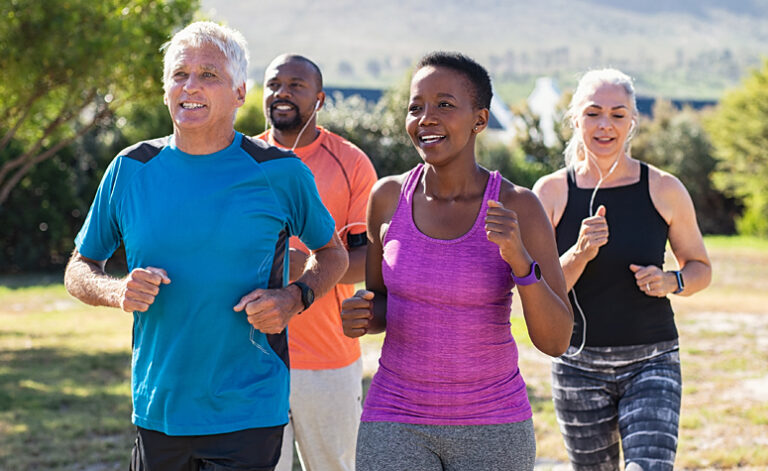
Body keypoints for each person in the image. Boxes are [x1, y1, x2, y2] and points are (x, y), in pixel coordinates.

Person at [63, 22, 349, 471]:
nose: (190, 86)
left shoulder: (280, 172)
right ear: (165, 90)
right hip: (159, 409)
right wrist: (117, 292)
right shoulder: (130, 169)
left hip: (249, 408)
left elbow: (334, 254)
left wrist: (294, 297)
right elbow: (79, 268)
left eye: (208, 75)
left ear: (239, 93)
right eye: (179, 75)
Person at [340, 51, 573, 471]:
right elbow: (381, 305)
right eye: (416, 107)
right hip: (395, 417)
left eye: (444, 105)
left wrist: (520, 260)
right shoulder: (387, 197)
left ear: (479, 120)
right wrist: (362, 313)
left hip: (492, 425)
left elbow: (556, 341)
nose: (426, 117)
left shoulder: (519, 205)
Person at [532, 68, 712, 471]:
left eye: (617, 114)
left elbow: (701, 267)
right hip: (577, 365)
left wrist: (672, 281)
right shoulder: (551, 192)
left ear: (632, 122)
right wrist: (579, 252)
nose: (605, 125)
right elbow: (537, 287)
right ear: (575, 118)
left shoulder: (664, 188)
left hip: (653, 359)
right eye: (594, 113)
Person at [256, 53, 377, 471]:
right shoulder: (239, 161)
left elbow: (370, 259)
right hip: (251, 356)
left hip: (328, 358)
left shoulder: (351, 163)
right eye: (274, 84)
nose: (282, 93)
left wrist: (307, 265)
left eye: (296, 85)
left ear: (319, 99)